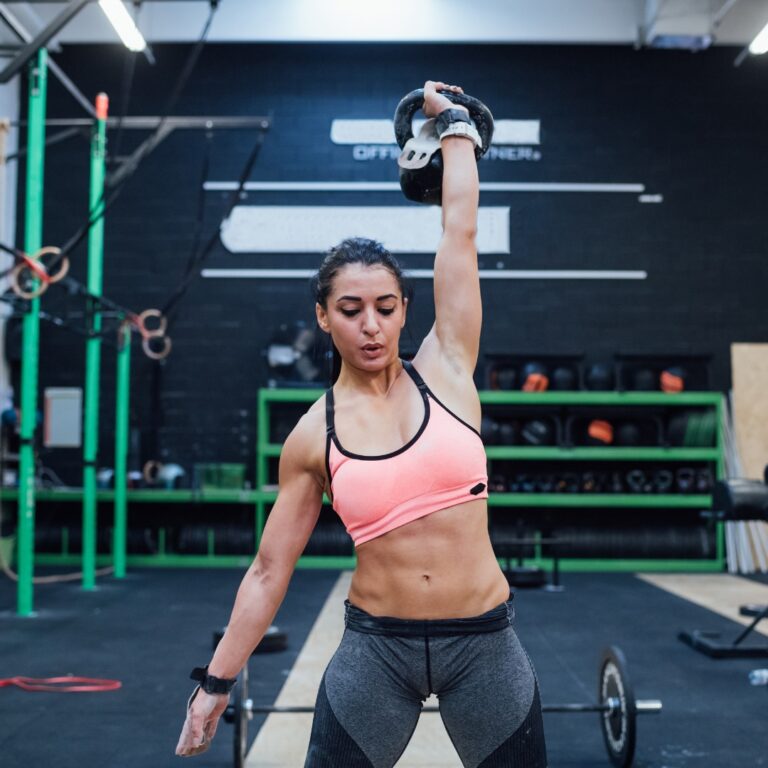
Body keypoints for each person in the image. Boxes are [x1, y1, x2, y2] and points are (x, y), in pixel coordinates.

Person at [176, 80, 548, 767]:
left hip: (486, 645)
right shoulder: (312, 435)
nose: (370, 325)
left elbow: (458, 226)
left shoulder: (449, 367)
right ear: (324, 316)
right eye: (350, 309)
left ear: (407, 308)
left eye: (385, 305)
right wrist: (216, 684)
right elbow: (266, 572)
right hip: (379, 648)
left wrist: (456, 128)